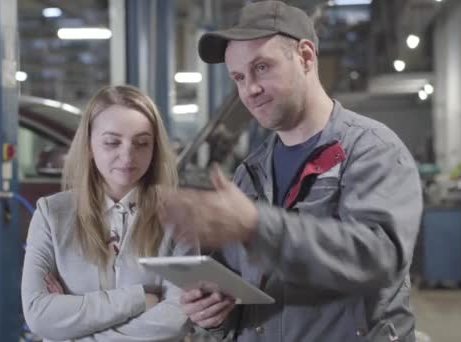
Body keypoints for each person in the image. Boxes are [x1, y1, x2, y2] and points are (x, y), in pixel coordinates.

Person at [159, 1, 423, 341]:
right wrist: (211, 315)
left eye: (262, 67)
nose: (249, 89)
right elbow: (237, 292)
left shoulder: (372, 151)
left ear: (306, 57)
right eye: (238, 77)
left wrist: (256, 224)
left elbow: (378, 259)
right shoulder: (249, 172)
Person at [21, 85, 191, 341]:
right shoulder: (51, 214)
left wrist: (72, 331)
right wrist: (139, 299)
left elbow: (177, 319)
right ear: (89, 146)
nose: (127, 156)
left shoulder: (179, 216)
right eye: (112, 142)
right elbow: (38, 315)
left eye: (142, 143)